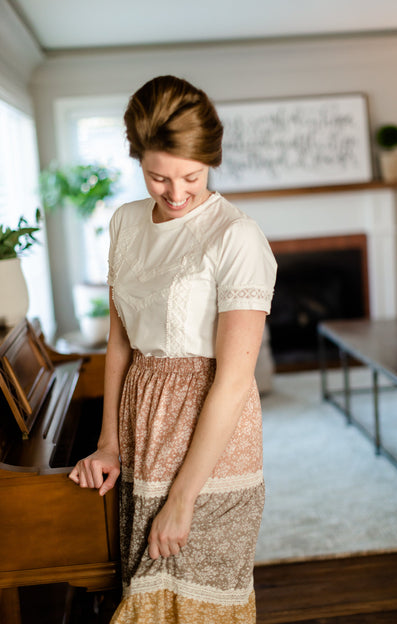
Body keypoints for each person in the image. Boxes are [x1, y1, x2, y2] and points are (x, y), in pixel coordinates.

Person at [69, 75, 277, 624]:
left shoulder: (236, 236)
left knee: (198, 607)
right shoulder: (125, 223)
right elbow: (120, 345)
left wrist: (183, 498)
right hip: (143, 430)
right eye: (158, 176)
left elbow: (233, 380)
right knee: (144, 599)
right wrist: (108, 442)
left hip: (212, 445)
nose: (177, 192)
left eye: (192, 175)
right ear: (136, 159)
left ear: (212, 159)